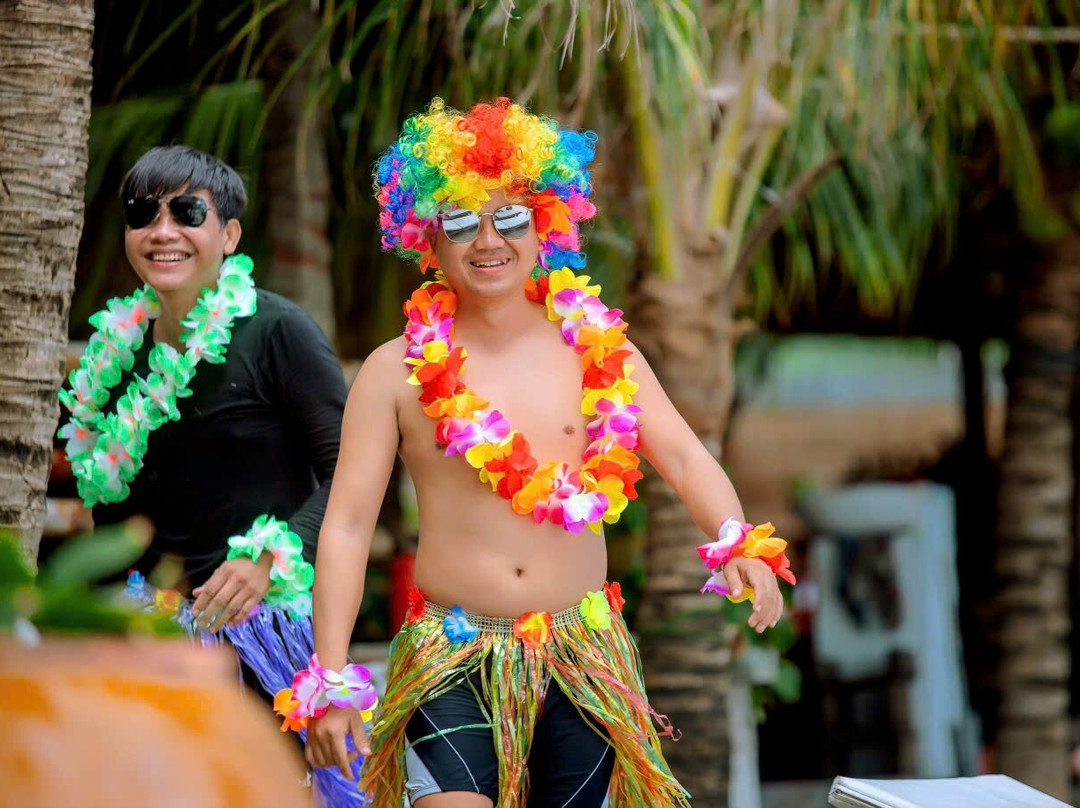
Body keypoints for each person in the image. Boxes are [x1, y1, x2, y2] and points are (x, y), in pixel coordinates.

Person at [301, 98, 791, 808]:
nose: (487, 241)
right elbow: (347, 527)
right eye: (460, 222)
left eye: (510, 218)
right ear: (428, 238)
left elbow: (684, 458)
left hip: (579, 654)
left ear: (546, 226)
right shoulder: (393, 372)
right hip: (451, 654)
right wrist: (331, 677)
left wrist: (737, 539)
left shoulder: (601, 352)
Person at [57, 146, 362, 804]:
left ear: (229, 235)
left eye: (187, 213)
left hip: (261, 634)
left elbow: (354, 472)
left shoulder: (279, 331)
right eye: (143, 214)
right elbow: (116, 517)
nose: (162, 230)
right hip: (147, 640)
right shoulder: (116, 351)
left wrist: (271, 557)